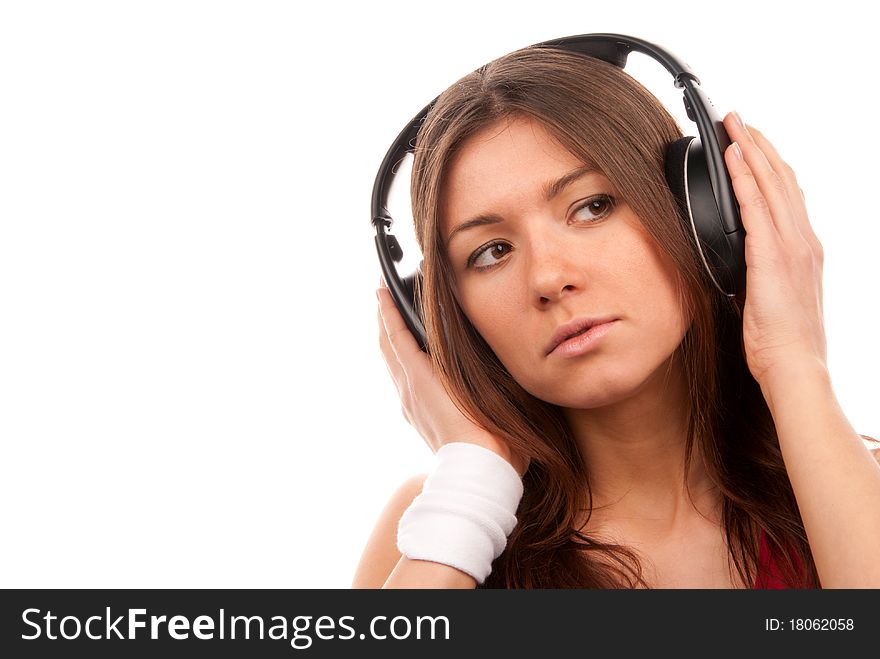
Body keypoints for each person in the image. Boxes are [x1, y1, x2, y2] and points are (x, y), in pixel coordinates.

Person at [352, 46, 880, 589]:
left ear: (697, 210)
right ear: (444, 317)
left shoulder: (864, 488)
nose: (548, 279)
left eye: (592, 207)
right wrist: (472, 480)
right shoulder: (436, 528)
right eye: (491, 252)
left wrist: (793, 361)